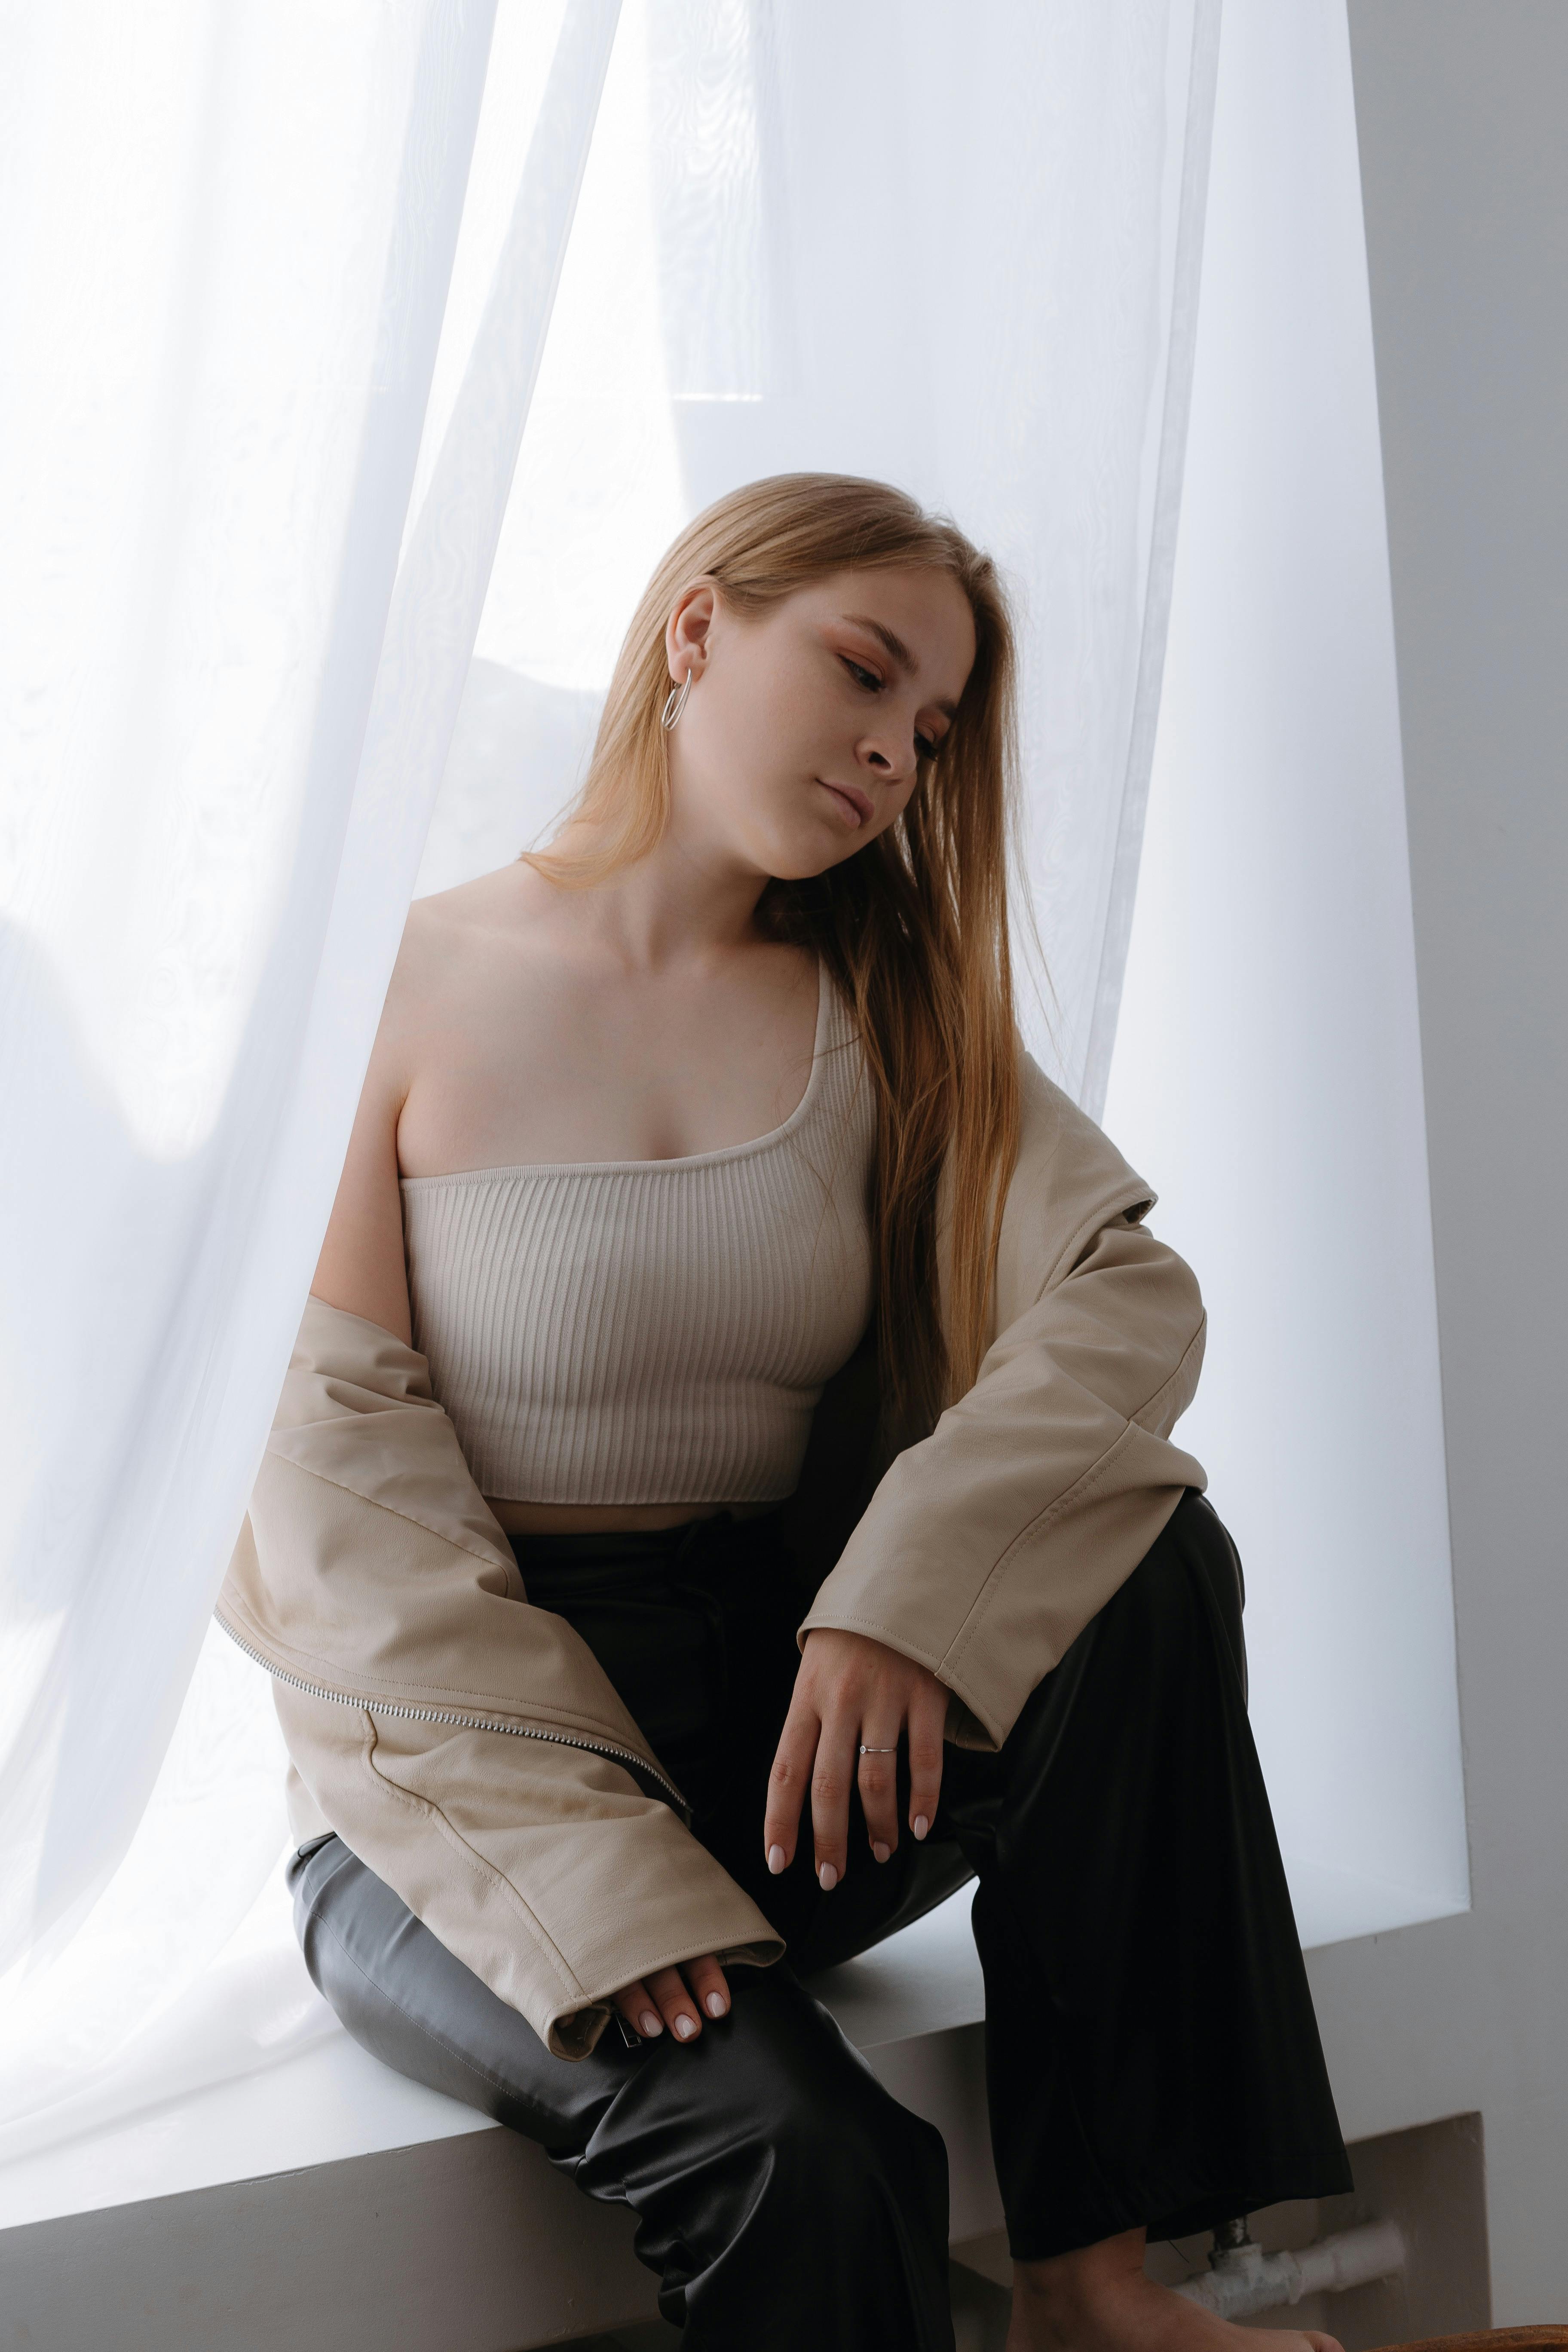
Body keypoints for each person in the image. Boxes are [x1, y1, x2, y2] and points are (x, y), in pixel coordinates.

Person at [220, 473, 1352, 2351]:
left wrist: (911, 1585)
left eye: (932, 729)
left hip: (791, 1730)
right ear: (695, 631)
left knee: (1148, 1561)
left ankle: (1096, 2287)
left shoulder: (886, 1013)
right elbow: (328, 1509)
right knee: (798, 2150)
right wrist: (586, 1878)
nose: (896, 753)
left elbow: (1120, 1292)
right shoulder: (388, 989)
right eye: (860, 670)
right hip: (458, 1792)